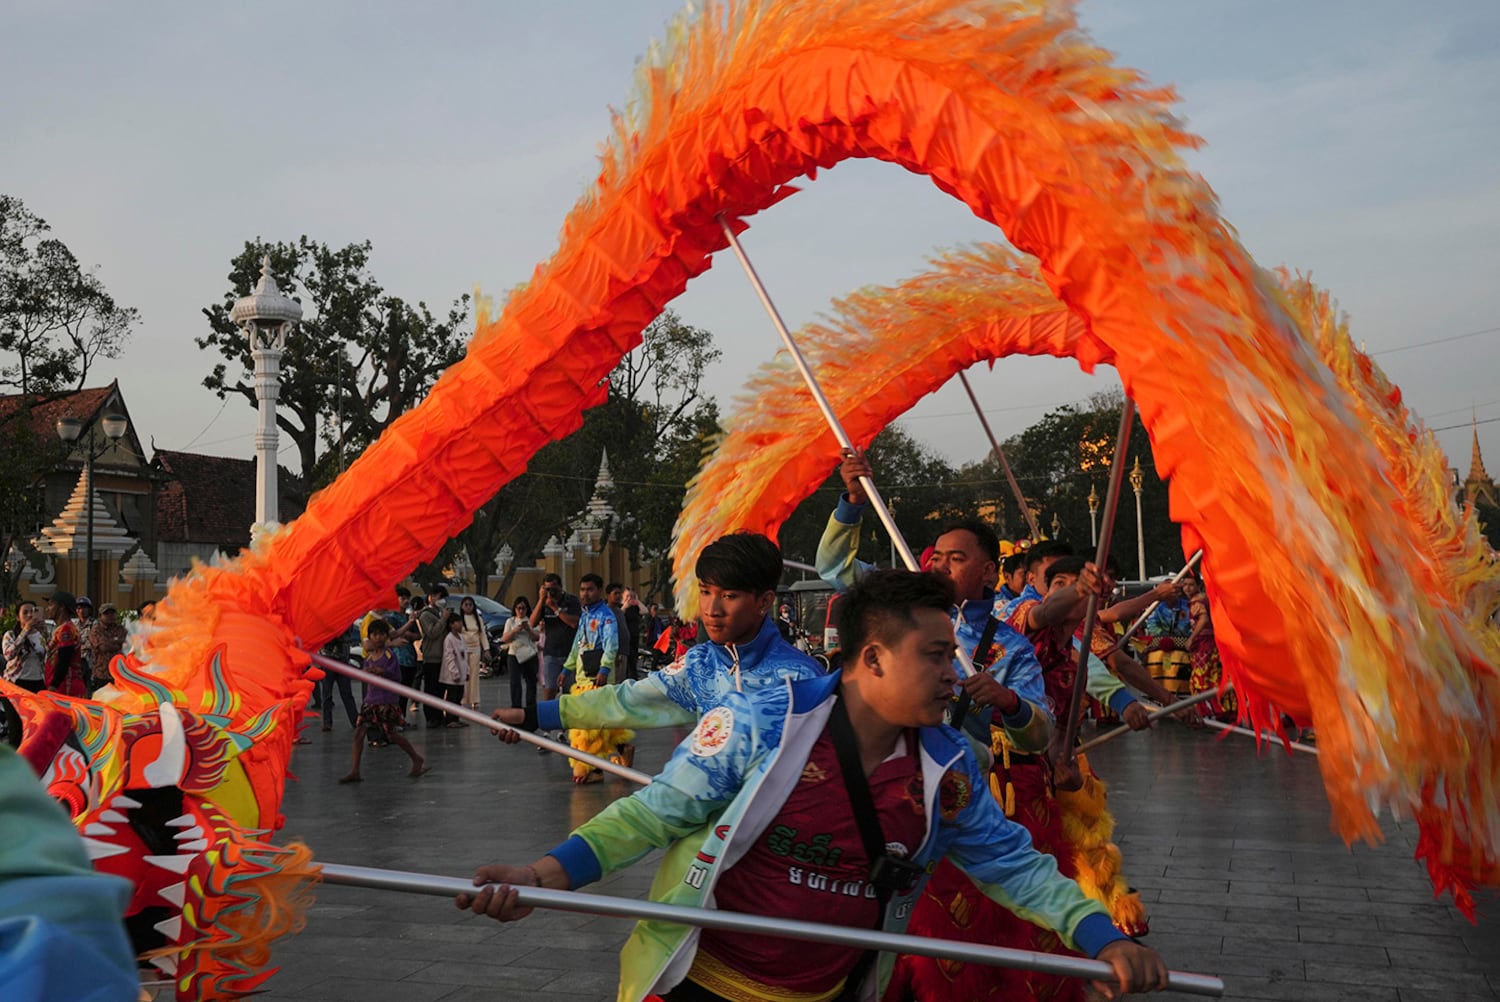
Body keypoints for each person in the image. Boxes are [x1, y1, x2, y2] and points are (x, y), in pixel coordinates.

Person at [458, 570, 1170, 1002]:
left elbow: (1017, 867)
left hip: (836, 989)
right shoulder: (762, 722)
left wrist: (1104, 939)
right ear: (871, 658)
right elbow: (651, 815)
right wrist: (541, 874)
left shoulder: (949, 769)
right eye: (932, 657)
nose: (953, 675)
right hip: (706, 983)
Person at [494, 533, 822, 758]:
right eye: (705, 592)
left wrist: (606, 668)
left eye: (729, 596)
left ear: (764, 601)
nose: (711, 609)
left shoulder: (802, 678)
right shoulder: (700, 666)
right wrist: (533, 716)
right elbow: (627, 700)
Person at [816, 449, 1052, 755]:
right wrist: (854, 502)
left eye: (956, 559)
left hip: (963, 782)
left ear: (988, 571)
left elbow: (1039, 738)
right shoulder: (898, 605)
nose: (941, 566)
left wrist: (1008, 700)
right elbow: (834, 567)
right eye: (937, 557)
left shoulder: (1012, 647)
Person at [339, 619, 428, 783]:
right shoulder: (369, 657)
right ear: (370, 637)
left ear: (386, 636)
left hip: (386, 701)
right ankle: (355, 770)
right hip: (371, 701)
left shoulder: (389, 656)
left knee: (391, 734)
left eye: (381, 634)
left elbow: (397, 677)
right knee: (359, 734)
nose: (378, 638)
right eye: (374, 634)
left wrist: (383, 672)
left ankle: (416, 758)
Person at [530, 573, 581, 705]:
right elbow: (532, 622)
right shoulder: (544, 602)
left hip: (570, 653)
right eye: (547, 589)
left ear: (560, 587)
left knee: (569, 692)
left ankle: (569, 721)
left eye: (554, 589)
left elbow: (574, 622)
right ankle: (547, 720)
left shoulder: (571, 600)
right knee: (549, 690)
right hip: (551, 653)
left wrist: (555, 608)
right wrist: (541, 600)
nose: (551, 592)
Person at [2, 602, 48, 746]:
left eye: (33, 611)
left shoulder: (39, 635)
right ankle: (15, 763)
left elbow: (46, 654)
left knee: (37, 725)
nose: (30, 615)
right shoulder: (10, 634)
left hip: (37, 683)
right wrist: (25, 632)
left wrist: (42, 633)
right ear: (18, 617)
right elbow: (9, 654)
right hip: (15, 684)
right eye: (25, 612)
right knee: (16, 727)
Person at [416, 586, 450, 728]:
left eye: (442, 597)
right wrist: (443, 620)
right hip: (432, 657)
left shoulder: (440, 612)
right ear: (430, 597)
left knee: (441, 688)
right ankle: (431, 717)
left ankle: (439, 715)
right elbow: (432, 632)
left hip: (443, 656)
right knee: (431, 688)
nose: (440, 599)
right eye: (437, 596)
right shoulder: (426, 615)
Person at [43, 593, 84, 698]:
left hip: (66, 687)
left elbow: (64, 659)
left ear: (61, 607)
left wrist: (54, 685)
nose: (48, 609)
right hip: (60, 686)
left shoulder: (66, 630)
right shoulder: (61, 629)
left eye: (51, 605)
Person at [457, 596, 491, 709]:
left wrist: (486, 649)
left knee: (475, 675)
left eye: (470, 605)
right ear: (462, 606)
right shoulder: (459, 619)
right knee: (464, 675)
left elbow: (482, 635)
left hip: (476, 649)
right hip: (463, 650)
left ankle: (475, 700)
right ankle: (462, 698)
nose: (468, 607)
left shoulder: (478, 619)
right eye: (465, 604)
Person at [85, 604, 127, 694]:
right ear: (100, 616)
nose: (110, 616)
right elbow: (103, 647)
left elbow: (127, 643)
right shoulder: (96, 630)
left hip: (119, 674)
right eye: (106, 613)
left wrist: (110, 642)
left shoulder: (120, 629)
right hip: (102, 674)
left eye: (112, 613)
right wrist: (117, 643)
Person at [438, 612, 469, 728]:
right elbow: (449, 657)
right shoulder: (449, 639)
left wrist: (467, 671)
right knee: (452, 697)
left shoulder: (461, 637)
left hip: (461, 672)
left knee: (458, 697)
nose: (461, 624)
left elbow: (464, 656)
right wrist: (454, 673)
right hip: (452, 676)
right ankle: (450, 719)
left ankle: (456, 718)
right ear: (451, 625)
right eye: (458, 622)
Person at [622, 587, 644, 681]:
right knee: (628, 660)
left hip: (635, 636)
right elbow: (619, 614)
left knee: (634, 658)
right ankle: (630, 678)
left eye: (631, 596)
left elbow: (645, 611)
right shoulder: (622, 607)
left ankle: (633, 677)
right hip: (626, 637)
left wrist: (637, 601)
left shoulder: (635, 608)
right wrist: (625, 605)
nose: (629, 598)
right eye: (627, 596)